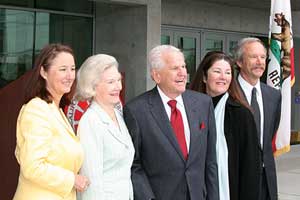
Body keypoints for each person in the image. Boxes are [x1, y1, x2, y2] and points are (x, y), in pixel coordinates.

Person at [123, 45, 219, 200]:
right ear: (157, 75)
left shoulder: (203, 103)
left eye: (183, 66)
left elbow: (211, 161)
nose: (183, 73)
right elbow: (133, 164)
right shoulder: (136, 111)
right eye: (175, 68)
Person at [13, 43, 90, 200]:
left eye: (73, 69)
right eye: (63, 69)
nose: (70, 75)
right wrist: (72, 179)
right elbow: (33, 167)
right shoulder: (36, 109)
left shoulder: (57, 110)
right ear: (43, 72)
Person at [190, 51, 261, 200]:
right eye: (217, 71)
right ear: (204, 76)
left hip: (230, 191)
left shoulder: (241, 114)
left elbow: (251, 167)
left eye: (228, 73)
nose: (223, 77)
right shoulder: (188, 108)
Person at [75, 54, 135, 200]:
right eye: (110, 82)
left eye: (119, 80)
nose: (118, 87)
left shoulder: (118, 114)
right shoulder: (90, 121)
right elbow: (90, 180)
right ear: (93, 86)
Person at [235, 37, 282, 200]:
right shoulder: (228, 94)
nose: (259, 62)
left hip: (266, 180)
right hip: (238, 180)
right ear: (239, 62)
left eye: (263, 57)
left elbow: (269, 133)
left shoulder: (273, 95)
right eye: (253, 57)